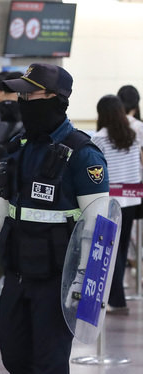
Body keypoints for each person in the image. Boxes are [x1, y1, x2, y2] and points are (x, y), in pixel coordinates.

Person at [0, 63, 110, 373]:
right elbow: (2, 205)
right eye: (22, 93)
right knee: (14, 358)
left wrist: (84, 276)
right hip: (16, 274)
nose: (23, 100)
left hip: (58, 280)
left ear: (56, 99)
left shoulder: (82, 153)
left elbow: (99, 223)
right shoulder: (18, 149)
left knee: (49, 363)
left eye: (31, 93)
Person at [91, 94, 141, 315]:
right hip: (132, 198)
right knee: (121, 249)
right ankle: (117, 299)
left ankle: (117, 300)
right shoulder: (133, 134)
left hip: (111, 199)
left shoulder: (99, 138)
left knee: (112, 250)